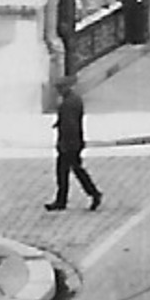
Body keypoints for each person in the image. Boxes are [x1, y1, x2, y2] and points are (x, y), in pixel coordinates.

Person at [45, 76, 103, 212]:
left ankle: (92, 194)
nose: (58, 91)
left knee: (68, 172)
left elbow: (70, 125)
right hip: (73, 142)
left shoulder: (68, 103)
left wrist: (64, 144)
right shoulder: (73, 100)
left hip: (69, 144)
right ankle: (64, 200)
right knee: (71, 171)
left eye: (59, 88)